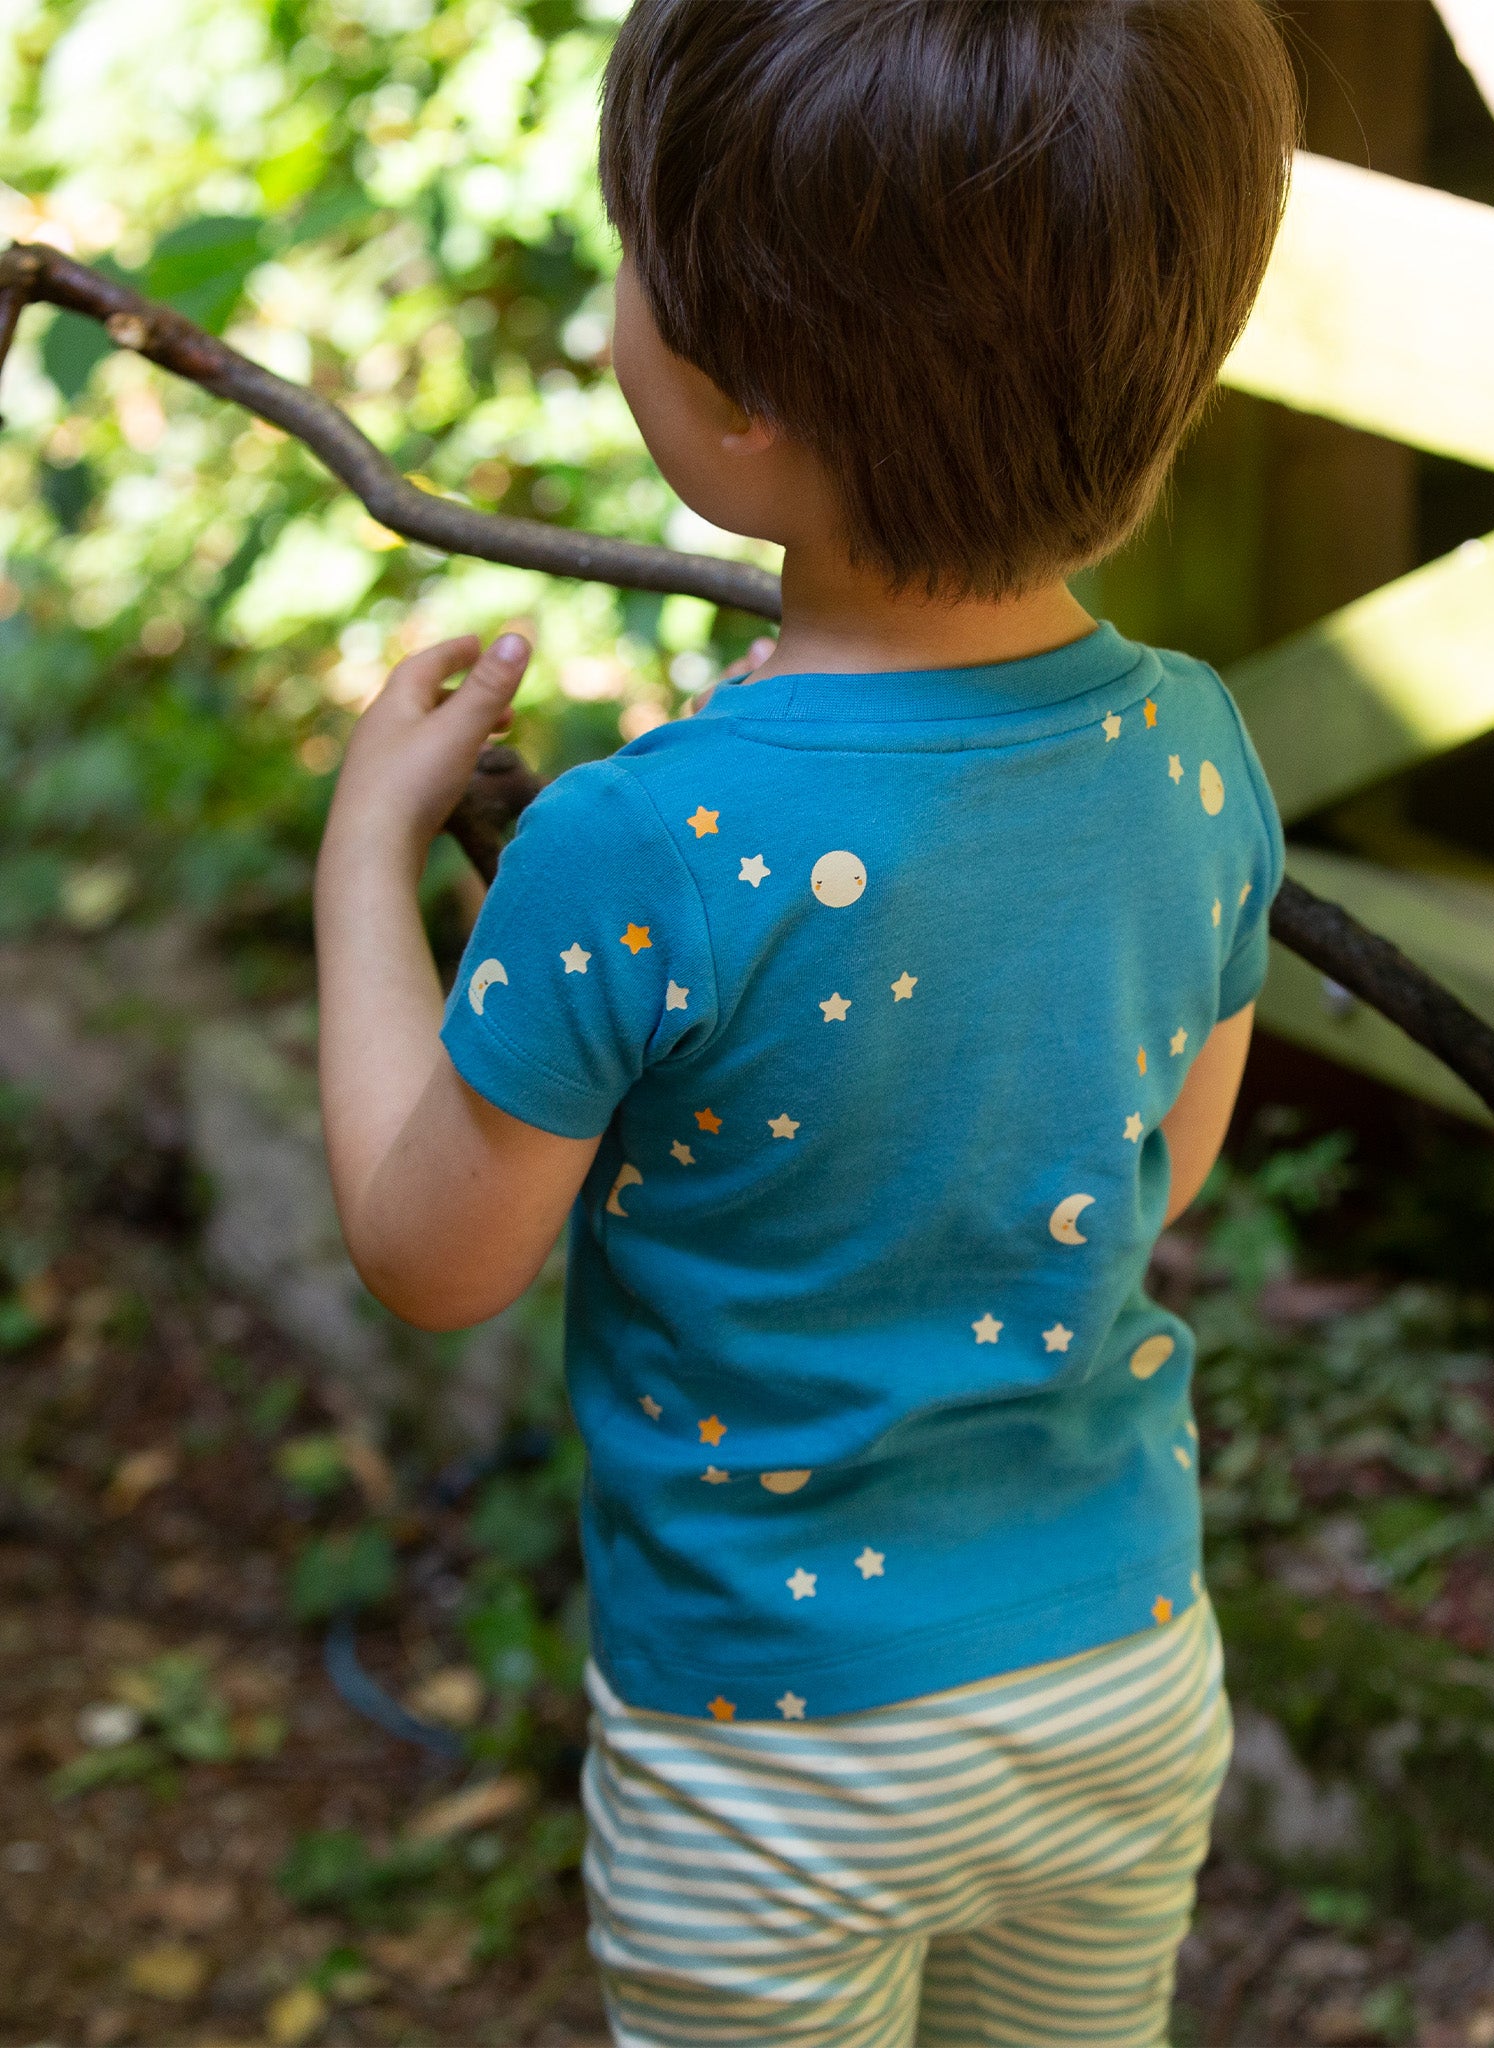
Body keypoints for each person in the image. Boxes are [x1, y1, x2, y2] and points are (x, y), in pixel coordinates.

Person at [314, 2, 1299, 2040]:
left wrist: (364, 861)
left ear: (740, 401)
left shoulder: (641, 845)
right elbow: (1154, 1169)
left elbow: (432, 1255)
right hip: (1115, 1673)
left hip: (771, 1749)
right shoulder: (1197, 756)